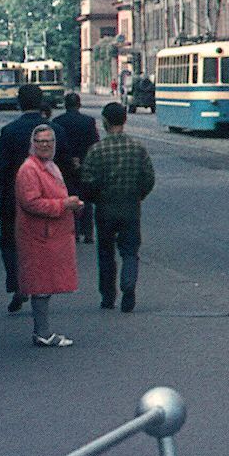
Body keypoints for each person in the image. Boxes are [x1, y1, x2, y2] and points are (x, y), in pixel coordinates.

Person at [0, 84, 57, 313]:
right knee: (42, 243)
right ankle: (38, 287)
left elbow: (0, 167)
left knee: (9, 241)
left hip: (13, 197)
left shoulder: (10, 131)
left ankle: (17, 282)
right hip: (47, 198)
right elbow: (65, 166)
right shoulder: (55, 132)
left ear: (19, 102)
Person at [79, 103, 156, 313]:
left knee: (105, 253)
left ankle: (107, 296)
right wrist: (138, 195)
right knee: (130, 251)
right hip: (130, 206)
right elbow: (149, 178)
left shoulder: (96, 150)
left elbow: (87, 181)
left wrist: (95, 198)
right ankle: (128, 283)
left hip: (105, 208)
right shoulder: (137, 148)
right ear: (125, 120)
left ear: (104, 121)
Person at [15, 124, 82, 346]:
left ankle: (43, 331)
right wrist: (64, 204)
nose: (45, 145)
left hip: (49, 235)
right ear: (32, 144)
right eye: (40, 141)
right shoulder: (29, 170)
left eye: (49, 141)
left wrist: (70, 205)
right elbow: (31, 203)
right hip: (39, 236)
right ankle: (42, 333)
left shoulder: (49, 166)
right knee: (41, 285)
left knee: (45, 283)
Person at [50, 93, 100, 244]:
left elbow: (55, 147)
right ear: (79, 104)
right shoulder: (88, 122)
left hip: (64, 166)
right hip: (85, 164)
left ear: (65, 105)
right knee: (86, 198)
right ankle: (89, 232)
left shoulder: (57, 122)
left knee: (69, 196)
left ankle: (75, 231)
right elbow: (94, 144)